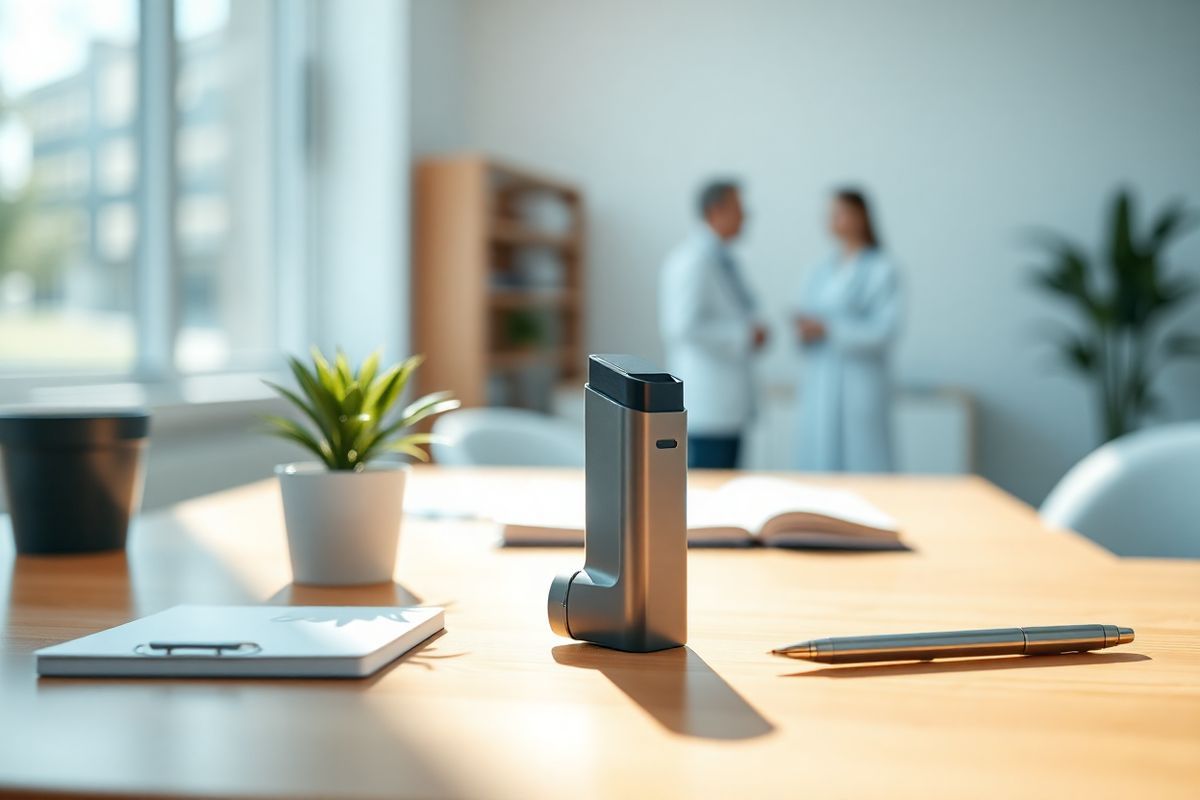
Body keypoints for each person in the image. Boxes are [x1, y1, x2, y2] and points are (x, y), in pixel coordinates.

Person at [660, 179, 768, 469]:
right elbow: (681, 327)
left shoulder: (723, 259)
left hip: (726, 404)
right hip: (707, 403)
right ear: (715, 211)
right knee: (710, 497)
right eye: (739, 208)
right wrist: (745, 335)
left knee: (729, 488)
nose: (746, 216)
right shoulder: (692, 261)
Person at [793, 188, 902, 472]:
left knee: (863, 463)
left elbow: (884, 332)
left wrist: (829, 329)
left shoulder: (882, 269)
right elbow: (809, 315)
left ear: (860, 217)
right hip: (822, 381)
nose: (831, 220)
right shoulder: (820, 270)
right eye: (829, 214)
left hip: (860, 383)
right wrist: (806, 331)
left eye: (839, 213)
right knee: (820, 465)